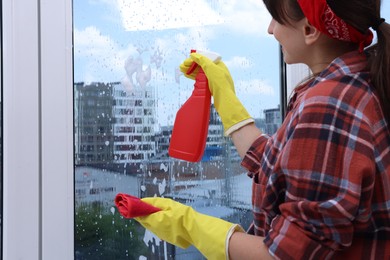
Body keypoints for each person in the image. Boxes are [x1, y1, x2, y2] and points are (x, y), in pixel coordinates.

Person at [129, 0, 390, 259]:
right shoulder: (353, 83)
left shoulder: (329, 104)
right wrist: (224, 97)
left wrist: (190, 226)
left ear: (310, 30)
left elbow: (285, 256)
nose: (270, 29)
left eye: (276, 18)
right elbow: (278, 167)